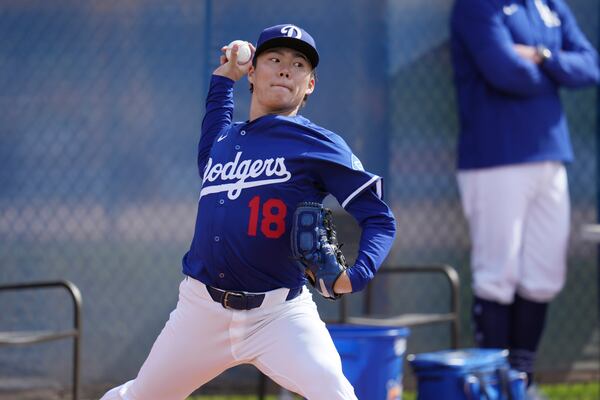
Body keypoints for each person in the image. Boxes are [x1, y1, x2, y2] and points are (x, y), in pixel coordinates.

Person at [100, 23, 396, 400]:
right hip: (201, 311)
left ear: (310, 85)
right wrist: (225, 77)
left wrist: (356, 275)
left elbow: (379, 218)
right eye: (274, 59)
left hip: (280, 314)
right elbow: (216, 114)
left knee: (335, 393)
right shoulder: (222, 141)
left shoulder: (320, 144)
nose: (286, 69)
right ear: (253, 72)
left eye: (299, 64)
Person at [450, 0, 599, 397]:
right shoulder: (476, 6)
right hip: (495, 156)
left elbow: (590, 66)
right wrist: (557, 71)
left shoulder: (550, 5)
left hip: (551, 154)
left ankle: (521, 381)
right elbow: (505, 73)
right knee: (497, 275)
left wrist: (540, 56)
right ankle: (493, 386)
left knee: (543, 276)